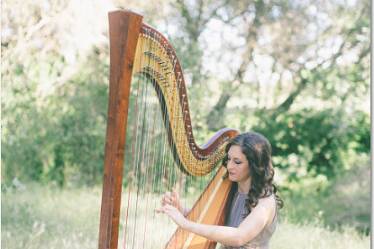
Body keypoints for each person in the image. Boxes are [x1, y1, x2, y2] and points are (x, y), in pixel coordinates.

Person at [157, 131, 283, 249]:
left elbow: (239, 237)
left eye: (237, 162)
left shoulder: (265, 203)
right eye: (228, 159)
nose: (229, 166)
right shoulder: (231, 188)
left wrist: (185, 223)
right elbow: (214, 221)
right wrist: (181, 209)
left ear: (255, 165)